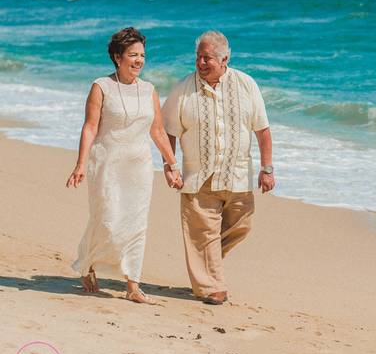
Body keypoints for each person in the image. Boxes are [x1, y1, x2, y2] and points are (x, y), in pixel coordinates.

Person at [66, 27, 183, 304]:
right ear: (118, 57)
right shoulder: (101, 87)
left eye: (142, 55)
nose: (139, 60)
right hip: (106, 164)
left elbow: (157, 130)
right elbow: (90, 127)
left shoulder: (149, 90)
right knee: (107, 220)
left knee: (135, 224)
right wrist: (81, 164)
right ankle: (88, 263)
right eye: (133, 55)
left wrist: (172, 163)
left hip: (138, 167)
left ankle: (133, 284)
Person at [161, 30, 274, 305]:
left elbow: (262, 129)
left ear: (225, 59)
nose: (201, 63)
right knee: (202, 232)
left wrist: (267, 168)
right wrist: (170, 165)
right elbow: (168, 131)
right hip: (198, 177)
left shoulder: (246, 84)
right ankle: (212, 287)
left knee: (242, 225)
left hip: (237, 175)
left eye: (207, 58)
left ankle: (205, 260)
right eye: (198, 57)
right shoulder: (183, 89)